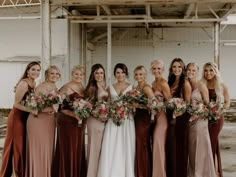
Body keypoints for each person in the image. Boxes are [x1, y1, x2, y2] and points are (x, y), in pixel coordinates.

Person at [0, 61, 40, 177]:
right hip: (17, 118)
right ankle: (11, 173)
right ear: (27, 70)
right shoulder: (24, 83)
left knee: (22, 146)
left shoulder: (34, 83)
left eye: (38, 70)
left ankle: (21, 172)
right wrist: (32, 110)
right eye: (33, 69)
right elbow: (16, 104)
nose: (36, 72)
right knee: (15, 147)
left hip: (25, 118)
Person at [97, 63, 135, 177]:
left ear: (126, 73)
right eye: (118, 72)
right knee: (112, 145)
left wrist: (126, 109)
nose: (120, 75)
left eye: (123, 72)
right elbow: (107, 103)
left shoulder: (132, 87)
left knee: (125, 146)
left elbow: (134, 104)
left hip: (127, 120)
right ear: (114, 74)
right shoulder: (110, 87)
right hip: (113, 119)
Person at [25, 65, 60, 177]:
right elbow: (35, 108)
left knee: (48, 150)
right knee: (39, 150)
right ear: (46, 75)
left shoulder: (54, 87)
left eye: (56, 74)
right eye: (52, 73)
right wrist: (52, 109)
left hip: (49, 122)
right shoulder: (41, 87)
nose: (54, 76)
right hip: (38, 122)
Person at [52, 65, 87, 177]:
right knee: (68, 148)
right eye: (76, 74)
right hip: (67, 122)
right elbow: (58, 106)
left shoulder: (82, 87)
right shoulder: (66, 87)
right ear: (72, 74)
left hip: (79, 122)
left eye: (81, 74)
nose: (78, 76)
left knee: (77, 147)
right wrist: (73, 114)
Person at [186, 63, 216, 177]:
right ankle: (193, 173)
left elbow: (207, 105)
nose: (191, 72)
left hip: (200, 121)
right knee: (192, 149)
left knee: (201, 148)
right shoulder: (186, 84)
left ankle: (203, 174)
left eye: (193, 70)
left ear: (197, 72)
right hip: (189, 120)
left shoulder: (201, 85)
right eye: (189, 70)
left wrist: (199, 111)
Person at [202, 62, 230, 177]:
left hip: (217, 118)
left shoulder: (221, 85)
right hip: (204, 118)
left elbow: (227, 102)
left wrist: (219, 109)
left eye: (211, 70)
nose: (208, 73)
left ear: (215, 71)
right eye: (206, 70)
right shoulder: (202, 84)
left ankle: (212, 172)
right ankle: (209, 169)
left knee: (211, 142)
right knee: (205, 143)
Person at [166, 58, 191, 177]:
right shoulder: (170, 82)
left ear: (183, 69)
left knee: (179, 148)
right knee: (171, 148)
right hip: (170, 117)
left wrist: (178, 112)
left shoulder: (185, 83)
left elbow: (188, 103)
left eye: (179, 67)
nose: (177, 69)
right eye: (174, 67)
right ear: (171, 69)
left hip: (181, 119)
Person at [85, 64, 108, 177]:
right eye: (97, 73)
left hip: (102, 120)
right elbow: (88, 106)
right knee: (94, 148)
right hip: (95, 120)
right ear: (93, 75)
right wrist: (99, 116)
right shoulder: (91, 88)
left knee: (100, 149)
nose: (99, 75)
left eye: (101, 73)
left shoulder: (103, 86)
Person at [150, 60, 170, 177]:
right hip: (153, 117)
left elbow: (169, 103)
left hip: (162, 118)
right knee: (155, 144)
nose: (156, 71)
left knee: (158, 143)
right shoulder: (152, 83)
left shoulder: (163, 84)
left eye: (159, 69)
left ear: (162, 70)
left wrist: (158, 105)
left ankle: (160, 174)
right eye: (154, 68)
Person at [133, 65, 154, 177]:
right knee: (138, 144)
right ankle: (139, 170)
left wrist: (139, 105)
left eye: (141, 74)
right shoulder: (136, 87)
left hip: (144, 119)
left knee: (142, 144)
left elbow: (153, 104)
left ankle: (144, 172)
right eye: (136, 74)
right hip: (137, 118)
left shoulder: (146, 88)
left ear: (145, 75)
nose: (138, 76)